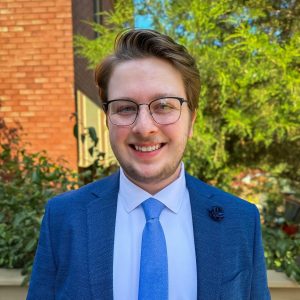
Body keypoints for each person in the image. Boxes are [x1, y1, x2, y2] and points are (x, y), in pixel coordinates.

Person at [27, 29, 270, 300]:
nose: (144, 127)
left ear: (191, 121)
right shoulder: (63, 217)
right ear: (107, 119)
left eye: (164, 105)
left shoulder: (240, 220)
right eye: (125, 108)